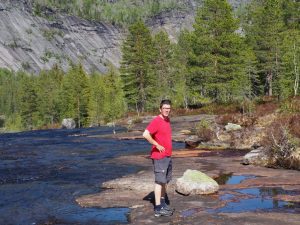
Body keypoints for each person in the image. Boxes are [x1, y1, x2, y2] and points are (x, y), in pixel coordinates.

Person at [143, 99, 174, 217]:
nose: (167, 110)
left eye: (169, 108)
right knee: (159, 181)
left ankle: (162, 204)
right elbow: (145, 134)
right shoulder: (157, 120)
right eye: (165, 108)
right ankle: (157, 208)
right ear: (160, 109)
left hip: (167, 155)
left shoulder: (167, 120)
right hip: (159, 156)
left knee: (165, 181)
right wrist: (156, 144)